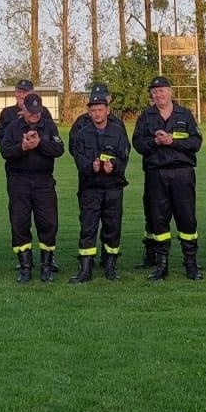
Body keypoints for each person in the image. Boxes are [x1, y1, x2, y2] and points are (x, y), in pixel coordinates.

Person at [132, 75, 203, 282]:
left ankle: (191, 263)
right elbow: (137, 143)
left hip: (182, 173)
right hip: (156, 174)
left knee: (187, 218)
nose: (158, 95)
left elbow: (196, 142)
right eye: (154, 92)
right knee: (158, 219)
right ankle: (161, 265)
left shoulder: (185, 114)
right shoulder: (146, 116)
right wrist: (155, 141)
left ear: (170, 92)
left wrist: (173, 141)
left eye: (161, 91)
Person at [0, 92, 64, 283]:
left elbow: (59, 149)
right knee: (19, 223)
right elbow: (5, 151)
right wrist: (23, 147)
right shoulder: (13, 127)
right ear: (23, 109)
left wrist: (40, 144)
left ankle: (46, 267)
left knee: (48, 223)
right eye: (31, 112)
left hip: (43, 181)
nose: (35, 115)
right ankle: (25, 267)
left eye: (38, 112)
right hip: (19, 181)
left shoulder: (49, 126)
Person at [67, 87, 129, 283]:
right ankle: (85, 269)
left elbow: (124, 155)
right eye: (93, 110)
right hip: (90, 187)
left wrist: (115, 166)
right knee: (88, 227)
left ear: (107, 110)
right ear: (88, 112)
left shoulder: (118, 131)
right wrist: (90, 165)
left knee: (112, 227)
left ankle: (110, 266)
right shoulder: (82, 133)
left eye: (100, 109)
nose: (97, 113)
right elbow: (77, 155)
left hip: (113, 187)